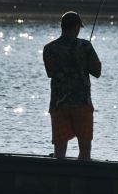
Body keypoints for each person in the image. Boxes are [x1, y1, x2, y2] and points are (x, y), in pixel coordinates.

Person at [43, 11, 101, 160]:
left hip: (58, 104)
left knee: (59, 153)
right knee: (85, 151)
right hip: (82, 104)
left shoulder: (49, 48)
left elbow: (50, 73)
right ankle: (83, 181)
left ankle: (59, 180)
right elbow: (97, 71)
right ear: (76, 27)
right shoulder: (85, 46)